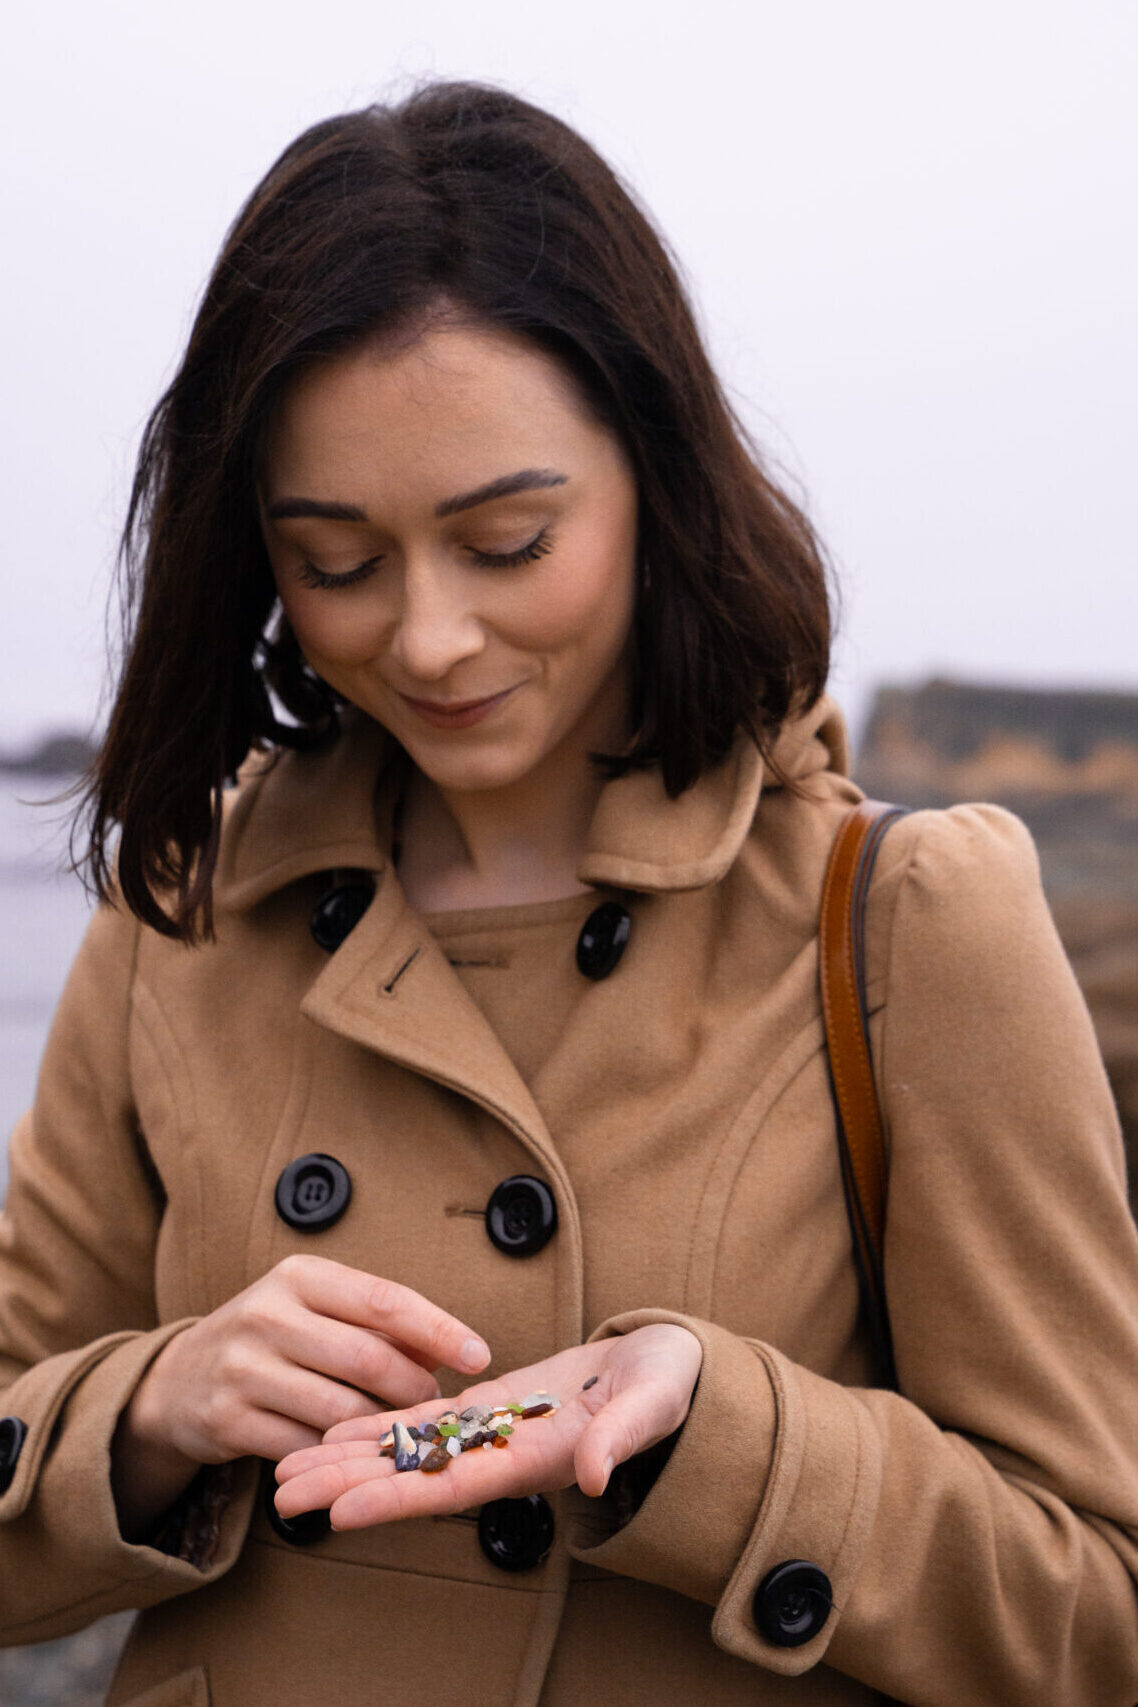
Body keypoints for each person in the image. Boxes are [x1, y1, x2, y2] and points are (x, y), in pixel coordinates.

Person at [1, 79, 1136, 1707]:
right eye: (336, 561)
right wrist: (155, 1403)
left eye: (509, 541)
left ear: (654, 480)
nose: (430, 637)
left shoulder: (902, 915)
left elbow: (1097, 1609)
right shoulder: (189, 903)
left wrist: (721, 1437)